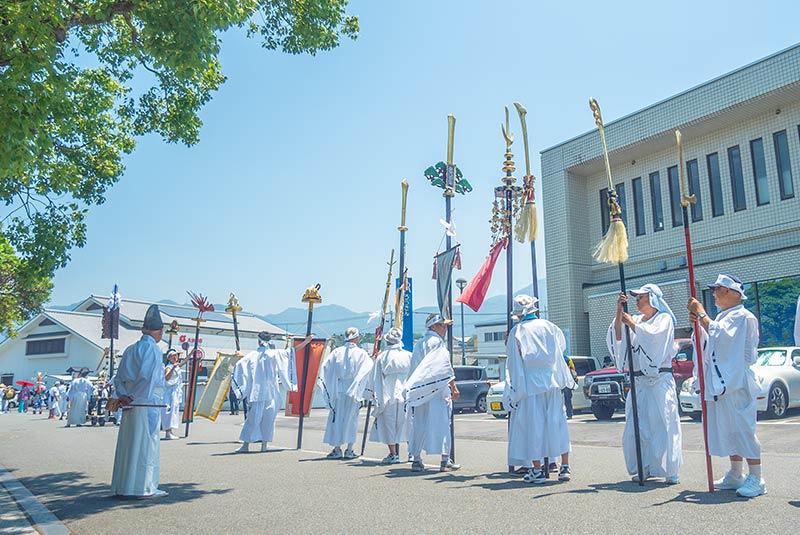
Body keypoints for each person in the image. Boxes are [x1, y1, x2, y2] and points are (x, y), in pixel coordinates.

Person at [688, 274, 765, 498]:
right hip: (724, 379)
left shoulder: (743, 316)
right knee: (729, 428)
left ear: (731, 292)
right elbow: (711, 340)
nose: (714, 293)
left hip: (737, 379)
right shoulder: (724, 316)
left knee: (743, 428)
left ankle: (757, 477)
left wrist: (702, 314)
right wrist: (698, 324)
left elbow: (722, 337)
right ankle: (736, 472)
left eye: (717, 289)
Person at [607, 283, 682, 484]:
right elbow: (618, 336)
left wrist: (632, 323)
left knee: (664, 424)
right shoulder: (636, 319)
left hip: (659, 381)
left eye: (641, 297)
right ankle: (644, 466)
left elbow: (653, 339)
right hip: (639, 382)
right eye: (636, 297)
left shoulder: (663, 319)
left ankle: (670, 469)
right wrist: (620, 311)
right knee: (638, 426)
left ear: (652, 299)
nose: (637, 300)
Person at [505, 295, 574, 484]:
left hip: (531, 384)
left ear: (519, 314)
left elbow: (514, 362)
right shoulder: (550, 326)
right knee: (557, 422)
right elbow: (561, 349)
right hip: (552, 380)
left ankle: (537, 470)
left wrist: (515, 390)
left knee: (533, 426)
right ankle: (564, 466)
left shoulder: (517, 331)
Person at [110, 304, 167, 498]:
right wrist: (134, 397)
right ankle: (144, 486)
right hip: (145, 401)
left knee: (129, 443)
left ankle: (124, 485)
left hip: (129, 400)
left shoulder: (130, 349)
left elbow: (118, 377)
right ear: (159, 331)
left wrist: (123, 396)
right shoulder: (153, 349)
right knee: (146, 444)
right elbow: (147, 377)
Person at [234, 332, 311, 453]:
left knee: (253, 419)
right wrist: (305, 342)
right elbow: (291, 352)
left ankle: (246, 445)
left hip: (258, 392)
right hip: (271, 391)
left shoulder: (253, 355)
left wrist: (237, 357)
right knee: (268, 419)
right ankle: (263, 445)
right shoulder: (274, 354)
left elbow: (239, 365)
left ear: (258, 342)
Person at [405, 314, 460, 472]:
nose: (445, 328)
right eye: (442, 325)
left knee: (419, 424)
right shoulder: (437, 343)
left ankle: (416, 459)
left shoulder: (419, 343)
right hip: (437, 389)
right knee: (442, 424)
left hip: (421, 390)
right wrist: (454, 387)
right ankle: (445, 459)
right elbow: (444, 367)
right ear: (433, 326)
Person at [319, 327, 373, 460]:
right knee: (351, 419)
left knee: (337, 418)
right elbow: (368, 369)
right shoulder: (361, 353)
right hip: (354, 389)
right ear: (356, 337)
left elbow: (326, 367)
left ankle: (337, 448)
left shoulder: (337, 352)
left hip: (339, 388)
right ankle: (349, 449)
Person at [367, 327, 411, 464]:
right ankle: (412, 453)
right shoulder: (408, 355)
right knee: (408, 423)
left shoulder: (382, 357)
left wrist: (373, 395)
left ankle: (393, 454)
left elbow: (375, 377)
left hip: (387, 392)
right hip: (405, 391)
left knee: (389, 424)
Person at [162, 349, 184, 440]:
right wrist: (173, 368)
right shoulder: (169, 367)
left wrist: (191, 353)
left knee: (174, 412)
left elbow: (184, 362)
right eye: (173, 356)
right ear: (169, 358)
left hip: (175, 392)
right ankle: (168, 432)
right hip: (170, 392)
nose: (175, 357)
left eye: (176, 355)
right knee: (169, 412)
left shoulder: (176, 366)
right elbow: (167, 378)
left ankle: (170, 432)